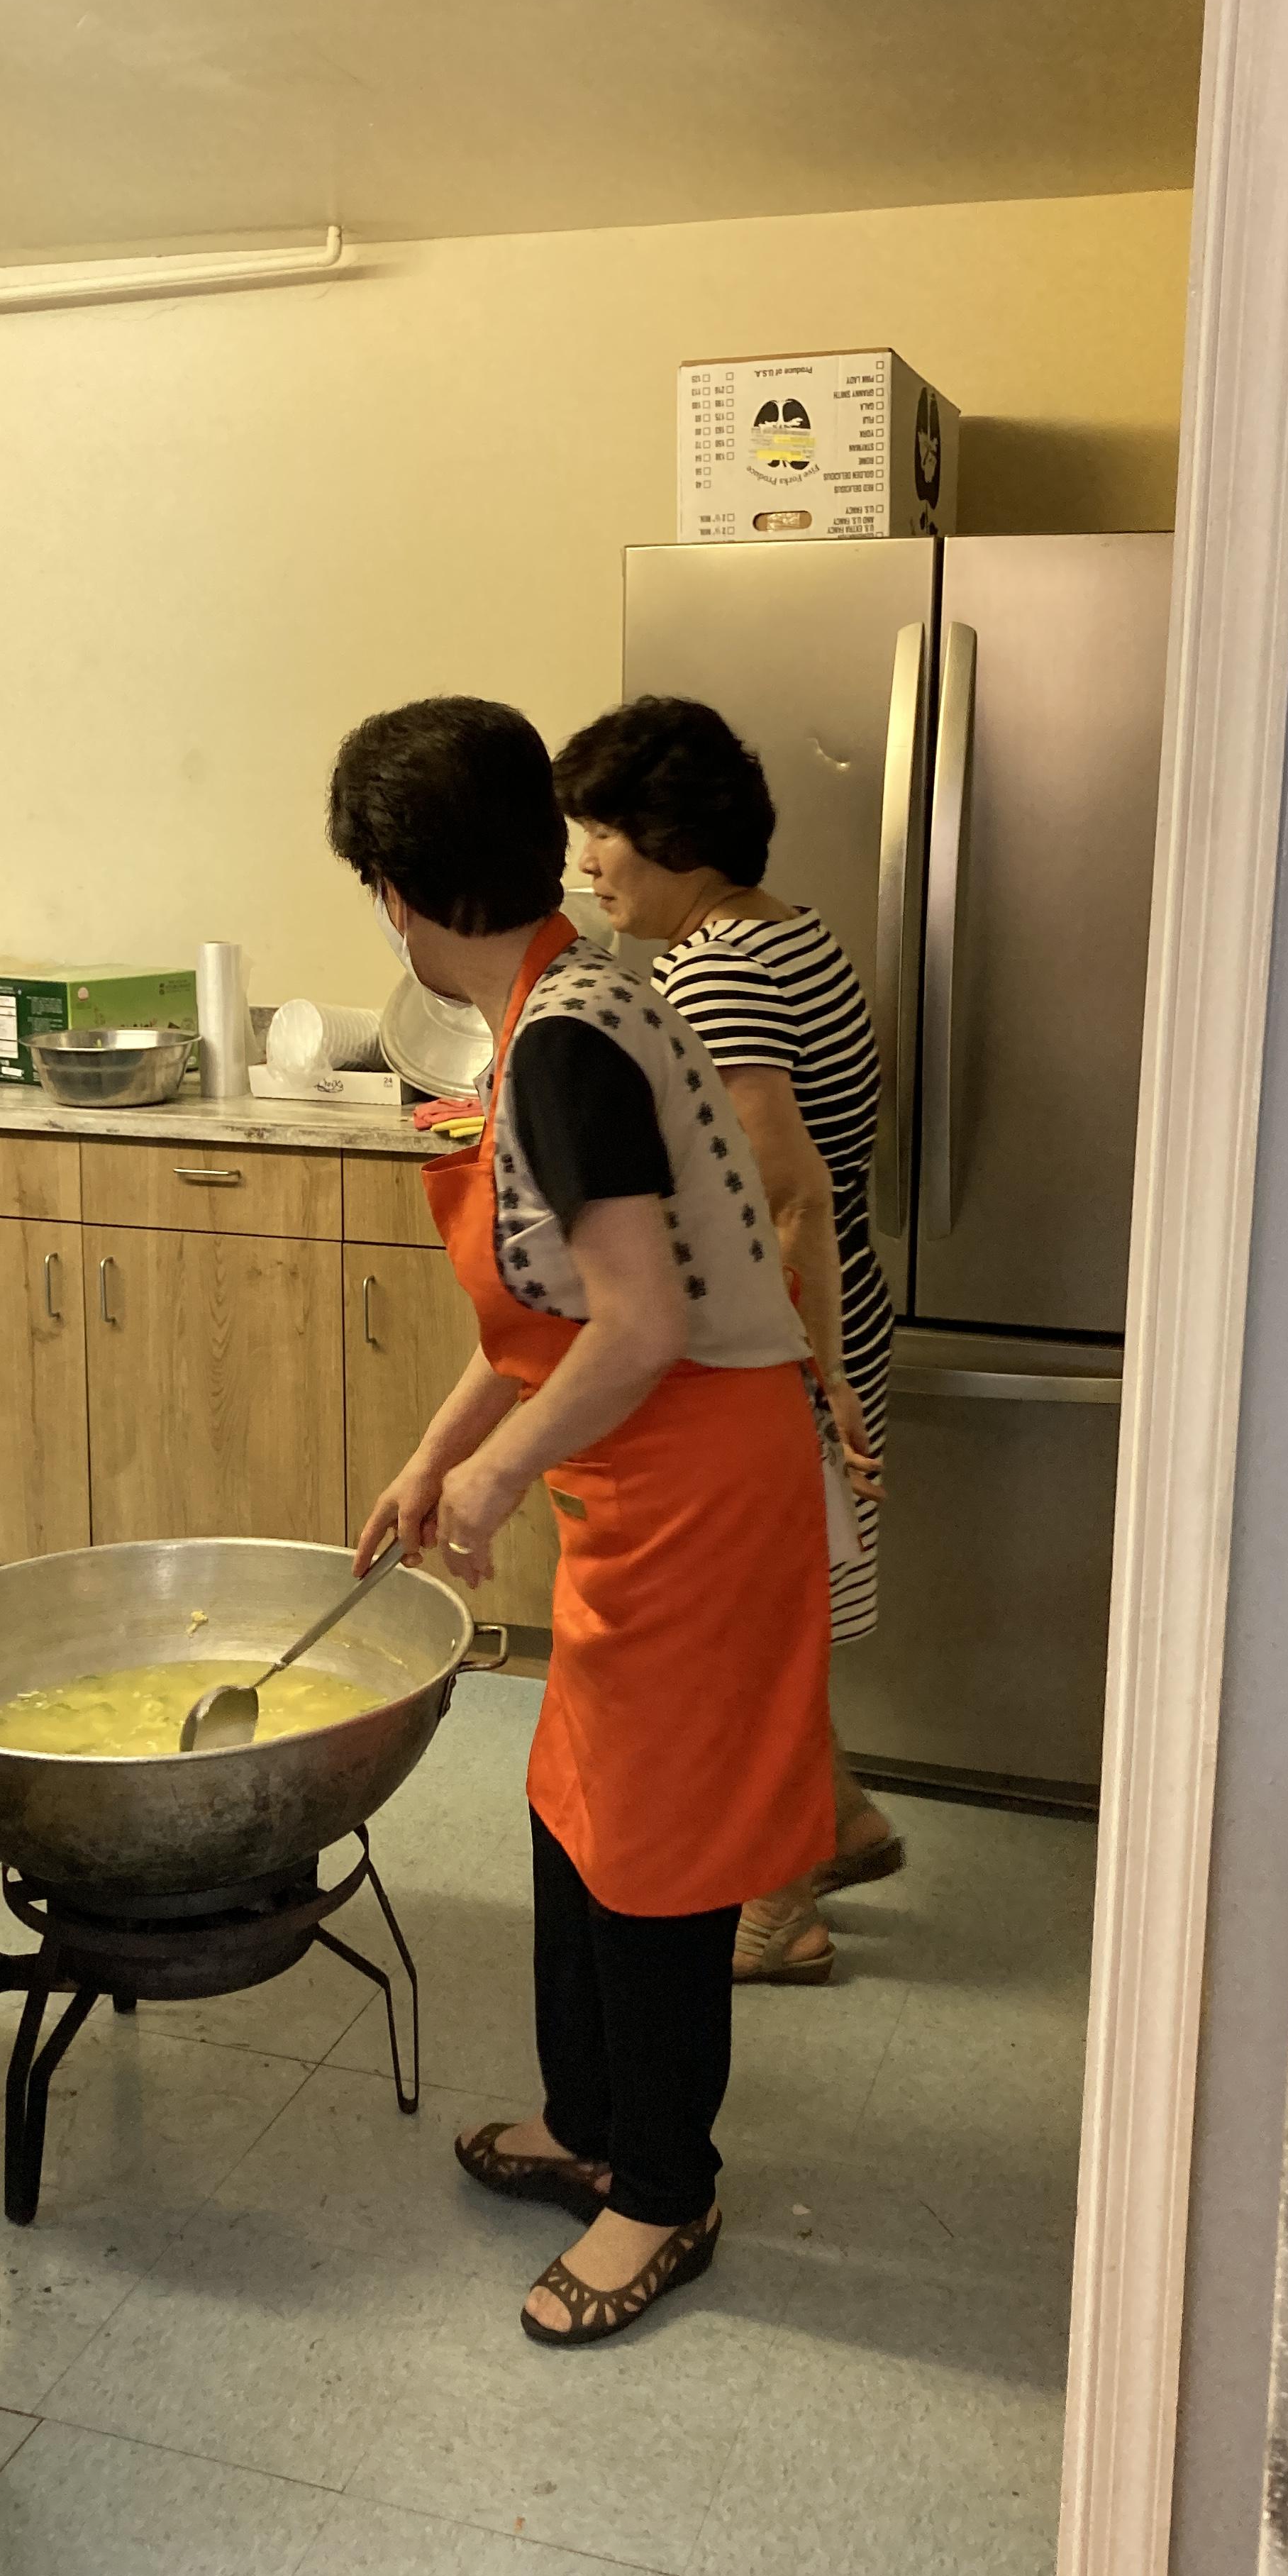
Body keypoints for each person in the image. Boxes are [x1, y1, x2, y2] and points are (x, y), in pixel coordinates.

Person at [328, 693, 835, 2346]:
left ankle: (664, 2190)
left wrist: (491, 1481)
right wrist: (437, 1454)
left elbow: (642, 1325)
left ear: (400, 892)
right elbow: (545, 1318)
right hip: (645, 1475)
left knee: (658, 1854)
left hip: (698, 1489)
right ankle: (591, 2119)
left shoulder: (562, 1038)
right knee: (575, 1807)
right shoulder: (572, 994)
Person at [554, 695, 904, 1987]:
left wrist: (810, 1388)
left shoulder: (716, 972)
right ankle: (843, 1820)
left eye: (603, 833)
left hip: (784, 1343)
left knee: (753, 1637)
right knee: (782, 1611)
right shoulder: (789, 932)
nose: (587, 862)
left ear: (676, 838)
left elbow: (780, 1194)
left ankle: (780, 1909)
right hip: (833, 1312)